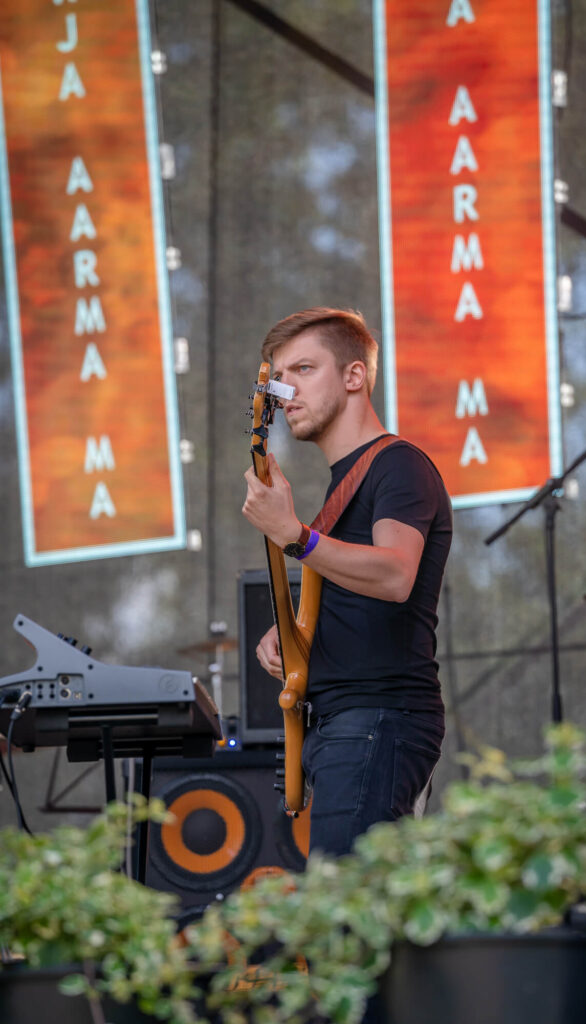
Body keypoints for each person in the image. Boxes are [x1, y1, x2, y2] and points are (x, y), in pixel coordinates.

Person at [242, 307, 452, 859]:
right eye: (280, 377)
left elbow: (395, 573)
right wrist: (295, 635)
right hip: (347, 724)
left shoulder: (398, 464)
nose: (287, 390)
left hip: (379, 718)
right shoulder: (344, 485)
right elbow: (355, 590)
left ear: (354, 375)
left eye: (304, 368)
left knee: (345, 906)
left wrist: (295, 536)